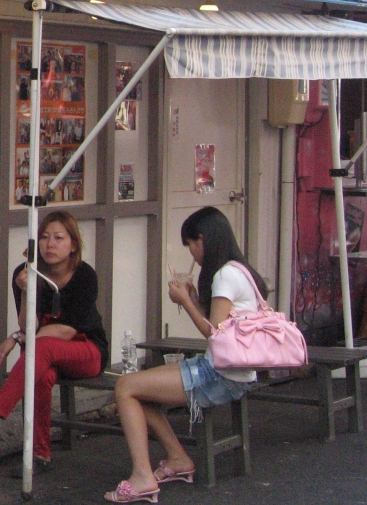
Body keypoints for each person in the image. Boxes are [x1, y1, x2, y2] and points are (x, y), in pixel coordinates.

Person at [104, 206, 267, 504]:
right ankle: (178, 459)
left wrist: (186, 302)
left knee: (125, 386)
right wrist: (194, 299)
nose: (191, 252)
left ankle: (142, 477)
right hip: (234, 370)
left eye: (190, 244)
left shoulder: (224, 275)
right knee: (139, 388)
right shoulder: (240, 269)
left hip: (220, 374)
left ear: (202, 239)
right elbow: (223, 325)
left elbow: (214, 333)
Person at [0, 210, 108, 474]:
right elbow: (27, 324)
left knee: (38, 349)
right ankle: (39, 454)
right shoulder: (25, 273)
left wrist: (18, 338)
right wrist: (25, 292)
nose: (50, 244)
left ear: (73, 245)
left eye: (58, 238)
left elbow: (66, 331)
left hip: (86, 350)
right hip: (45, 350)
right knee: (41, 373)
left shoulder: (85, 275)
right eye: (44, 237)